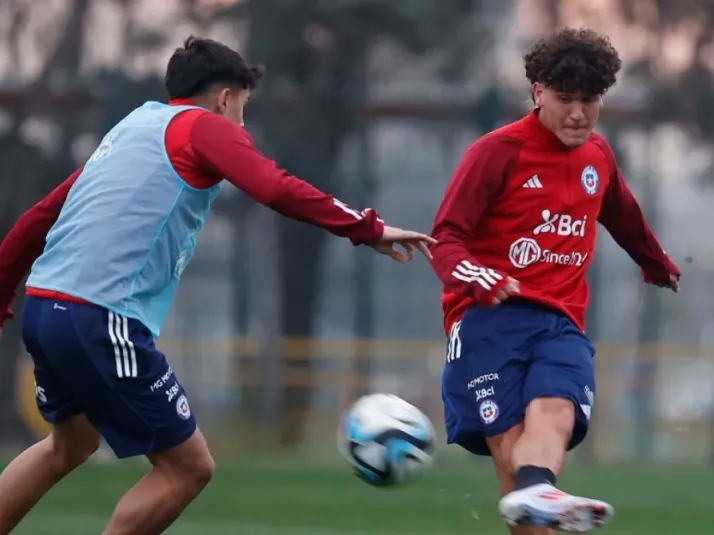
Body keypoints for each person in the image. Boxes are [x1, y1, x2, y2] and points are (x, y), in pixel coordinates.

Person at [0, 36, 434, 534]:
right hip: (101, 316)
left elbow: (38, 218)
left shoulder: (130, 130)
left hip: (45, 308)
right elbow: (272, 185)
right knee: (188, 468)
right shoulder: (203, 126)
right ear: (225, 98)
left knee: (69, 446)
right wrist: (368, 228)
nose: (243, 124)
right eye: (243, 108)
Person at [431, 28, 680, 533]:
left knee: (557, 414)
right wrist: (480, 278)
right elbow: (446, 237)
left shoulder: (598, 157)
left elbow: (623, 214)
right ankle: (535, 494)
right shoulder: (496, 152)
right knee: (513, 466)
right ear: (538, 91)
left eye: (589, 101)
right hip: (486, 320)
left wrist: (655, 262)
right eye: (565, 99)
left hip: (560, 321)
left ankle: (540, 488)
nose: (578, 114)